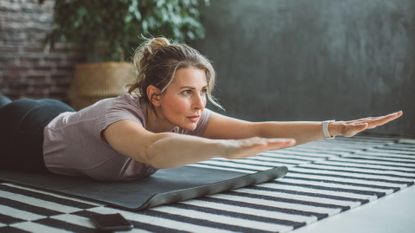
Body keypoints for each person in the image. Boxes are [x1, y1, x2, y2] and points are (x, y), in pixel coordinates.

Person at [0, 37, 403, 181]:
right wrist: (222, 151)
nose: (200, 104)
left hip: (58, 112)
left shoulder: (186, 115)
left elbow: (255, 127)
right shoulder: (119, 118)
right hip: (23, 131)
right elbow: (153, 150)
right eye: (187, 92)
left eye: (204, 91)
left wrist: (334, 127)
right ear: (155, 95)